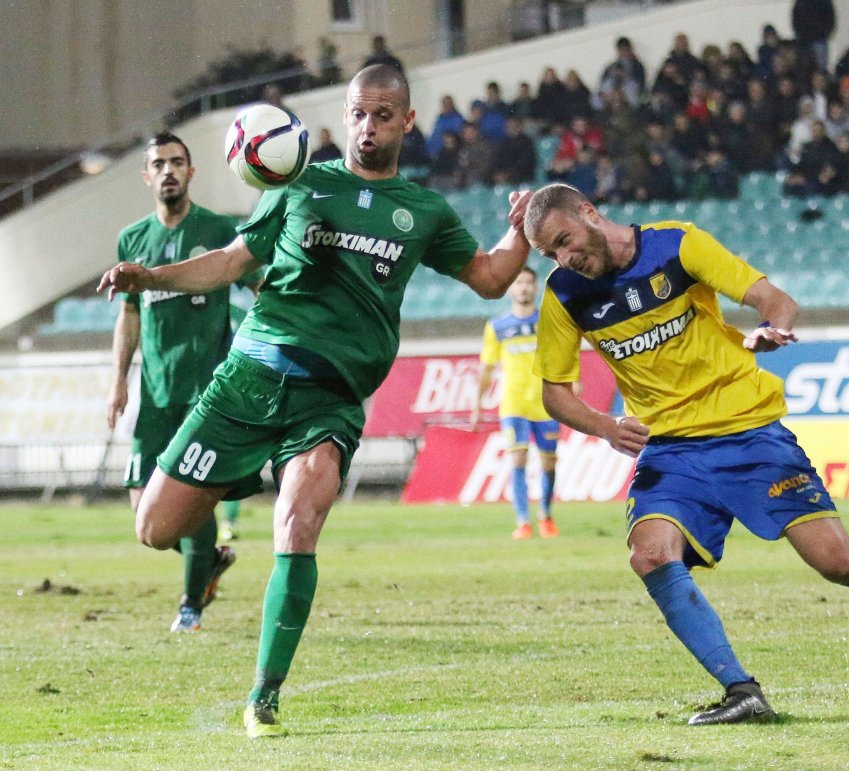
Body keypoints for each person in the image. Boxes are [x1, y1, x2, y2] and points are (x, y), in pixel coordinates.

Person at [99, 65, 531, 738]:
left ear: (407, 121)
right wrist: (149, 274)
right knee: (154, 528)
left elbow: (491, 277)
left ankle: (264, 697)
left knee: (298, 525)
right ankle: (231, 482)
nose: (368, 126)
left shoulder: (424, 211)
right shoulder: (299, 183)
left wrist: (521, 231)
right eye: (358, 113)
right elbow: (231, 261)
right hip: (249, 376)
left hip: (328, 400)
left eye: (383, 115)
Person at [522, 182, 849, 725]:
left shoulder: (677, 246)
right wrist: (605, 426)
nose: (564, 258)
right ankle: (743, 691)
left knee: (840, 564)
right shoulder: (565, 293)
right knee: (649, 555)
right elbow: (554, 393)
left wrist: (772, 329)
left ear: (589, 213)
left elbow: (775, 300)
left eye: (564, 241)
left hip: (748, 432)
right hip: (671, 450)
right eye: (550, 253)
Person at [106, 132, 239, 632]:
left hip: (204, 395)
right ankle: (209, 562)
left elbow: (260, 284)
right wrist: (119, 380)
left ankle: (190, 606)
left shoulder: (219, 230)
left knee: (189, 501)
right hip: (155, 394)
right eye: (159, 164)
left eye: (176, 162)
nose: (168, 171)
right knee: (145, 518)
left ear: (191, 172)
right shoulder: (132, 239)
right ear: (147, 176)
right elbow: (130, 315)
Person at [470, 267, 562, 540]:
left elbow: (562, 356)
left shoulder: (547, 321)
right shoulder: (497, 326)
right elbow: (487, 369)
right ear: (511, 288)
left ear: (536, 288)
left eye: (528, 283)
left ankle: (545, 515)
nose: (523, 288)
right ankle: (523, 522)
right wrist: (477, 405)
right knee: (517, 460)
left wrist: (572, 384)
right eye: (519, 283)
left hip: (546, 403)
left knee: (548, 464)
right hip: (513, 404)